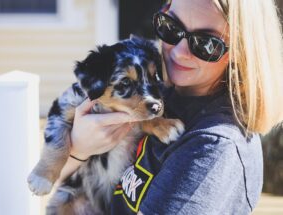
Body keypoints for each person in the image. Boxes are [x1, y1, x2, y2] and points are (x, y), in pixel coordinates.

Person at [54, 0, 283, 214]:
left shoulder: (212, 145)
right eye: (171, 28)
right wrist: (79, 150)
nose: (180, 52)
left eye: (206, 44)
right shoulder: (156, 91)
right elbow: (57, 183)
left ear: (241, 51)